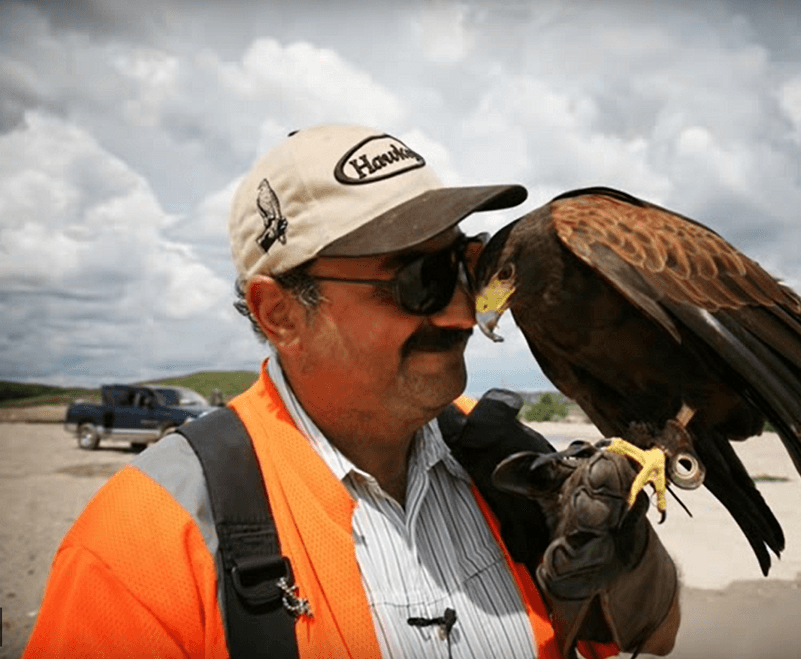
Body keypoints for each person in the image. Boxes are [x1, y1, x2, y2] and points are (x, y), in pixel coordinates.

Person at [24, 125, 680, 658]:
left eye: (464, 266)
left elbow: (654, 633)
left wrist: (623, 560)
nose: (461, 312)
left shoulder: (504, 452)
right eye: (420, 280)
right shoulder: (144, 538)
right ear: (280, 313)